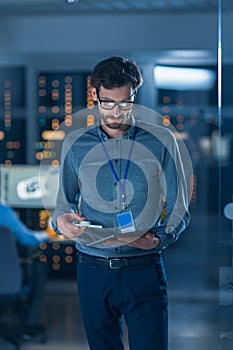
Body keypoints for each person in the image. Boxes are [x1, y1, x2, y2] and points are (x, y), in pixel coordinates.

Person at [52, 56, 191, 350]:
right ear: (94, 95)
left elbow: (180, 207)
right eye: (108, 103)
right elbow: (62, 208)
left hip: (144, 269)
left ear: (134, 96)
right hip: (92, 271)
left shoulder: (161, 140)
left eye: (125, 103)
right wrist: (61, 222)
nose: (116, 112)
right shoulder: (75, 143)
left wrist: (157, 239)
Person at [0, 203, 48, 343]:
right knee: (38, 266)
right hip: (6, 286)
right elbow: (29, 240)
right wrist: (48, 233)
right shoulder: (3, 211)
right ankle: (28, 325)